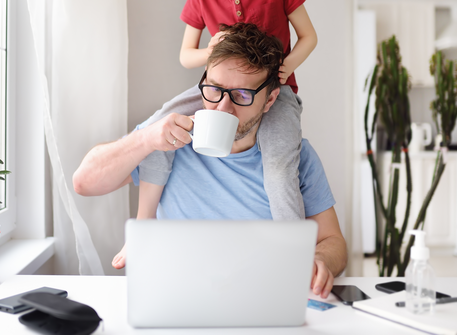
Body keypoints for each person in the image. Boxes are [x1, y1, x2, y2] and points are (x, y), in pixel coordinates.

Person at [73, 23, 346, 299]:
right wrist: (145, 139)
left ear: (270, 99)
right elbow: (84, 182)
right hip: (175, 297)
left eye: (241, 95)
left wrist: (320, 260)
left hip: (259, 300)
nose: (222, 108)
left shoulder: (296, 157)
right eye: (214, 90)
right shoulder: (167, 140)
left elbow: (333, 241)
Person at [126, 0, 319, 267]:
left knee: (279, 163)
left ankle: (295, 256)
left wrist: (285, 69)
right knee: (158, 132)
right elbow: (186, 55)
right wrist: (208, 51)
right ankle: (144, 226)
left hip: (274, 93)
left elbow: (309, 37)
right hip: (215, 93)